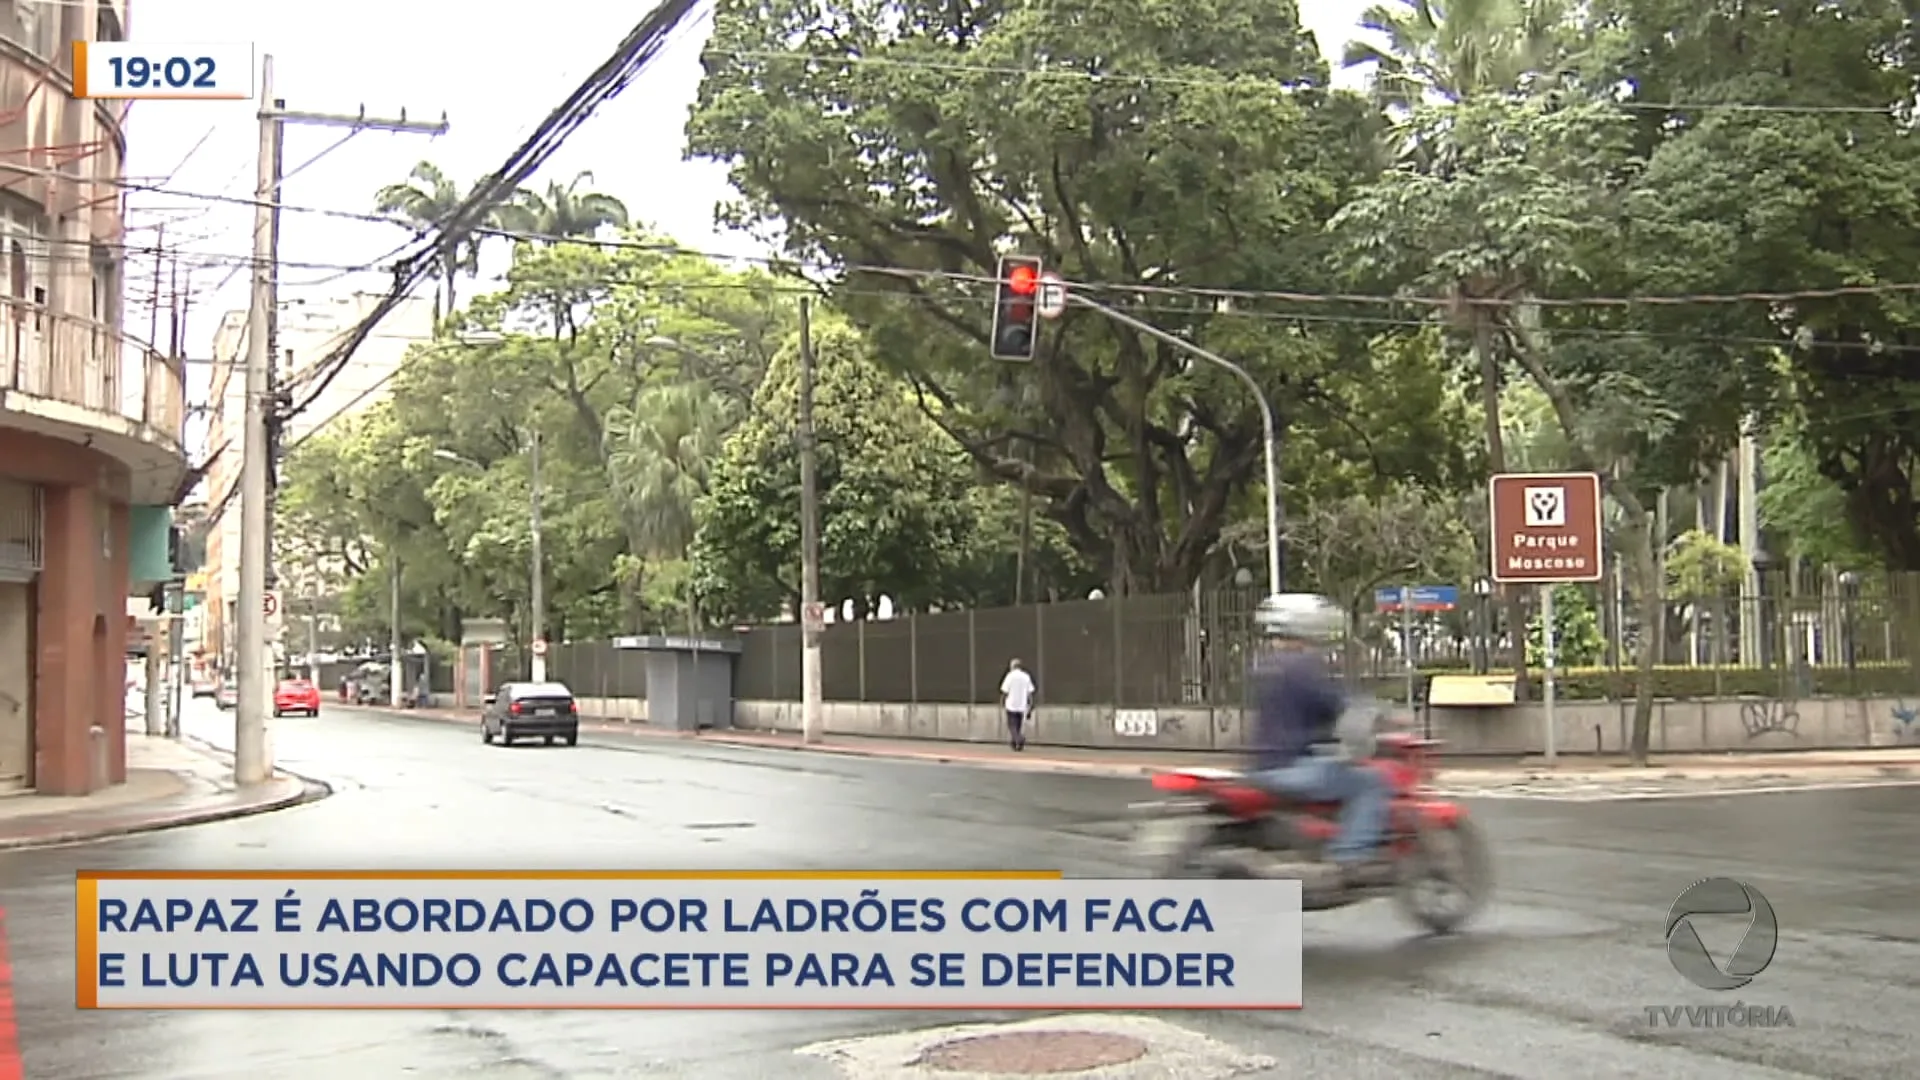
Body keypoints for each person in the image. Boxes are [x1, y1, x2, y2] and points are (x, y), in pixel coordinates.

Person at [1246, 593, 1392, 888]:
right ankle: (1350, 858)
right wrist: (1377, 714)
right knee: (1371, 782)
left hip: (1264, 764)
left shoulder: (1267, 665)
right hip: (1291, 767)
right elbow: (1336, 704)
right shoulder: (1303, 666)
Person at [999, 658, 1036, 751]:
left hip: (1011, 704)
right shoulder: (1026, 676)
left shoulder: (1010, 676)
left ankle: (1019, 739)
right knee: (1018, 725)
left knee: (1012, 726)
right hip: (1022, 705)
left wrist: (1002, 701)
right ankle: (1015, 743)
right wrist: (1031, 705)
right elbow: (1030, 692)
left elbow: (1004, 691)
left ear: (1013, 666)